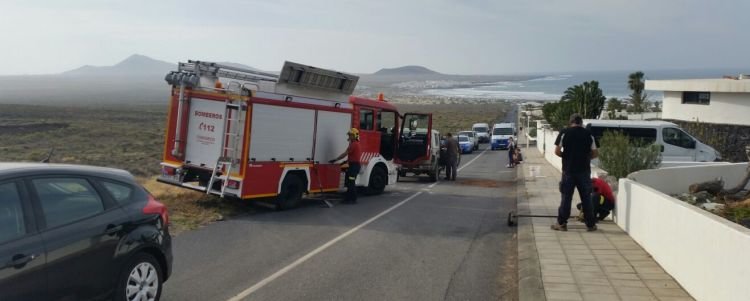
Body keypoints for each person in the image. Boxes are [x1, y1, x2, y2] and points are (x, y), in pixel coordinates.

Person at [551, 113, 599, 232]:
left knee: (566, 198)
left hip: (569, 171)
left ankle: (561, 224)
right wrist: (586, 158)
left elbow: (557, 151)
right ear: (581, 122)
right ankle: (590, 225)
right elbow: (595, 153)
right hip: (584, 171)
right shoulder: (589, 134)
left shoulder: (565, 132)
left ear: (571, 122)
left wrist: (566, 157)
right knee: (586, 198)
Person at [330, 128, 362, 204]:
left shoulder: (354, 144)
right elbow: (353, 156)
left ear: (355, 136)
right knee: (349, 182)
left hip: (354, 166)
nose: (349, 136)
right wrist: (345, 161)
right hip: (353, 165)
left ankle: (352, 199)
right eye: (349, 135)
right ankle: (348, 198)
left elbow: (345, 153)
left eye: (350, 135)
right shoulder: (354, 144)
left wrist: (336, 159)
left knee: (351, 182)